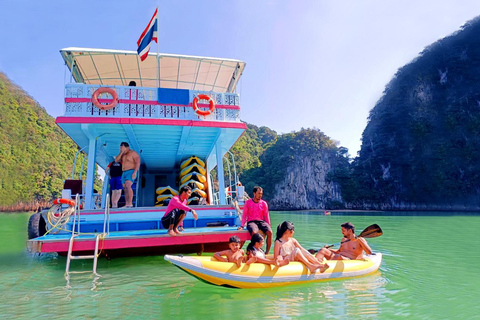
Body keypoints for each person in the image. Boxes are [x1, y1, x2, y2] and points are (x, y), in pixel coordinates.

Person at [237, 186, 273, 254]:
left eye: (261, 194)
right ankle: (254, 250)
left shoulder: (264, 203)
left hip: (261, 221)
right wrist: (242, 226)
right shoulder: (248, 203)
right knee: (254, 232)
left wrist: (269, 225)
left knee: (270, 232)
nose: (260, 195)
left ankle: (267, 252)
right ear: (254, 193)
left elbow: (266, 215)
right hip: (251, 221)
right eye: (259, 193)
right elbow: (244, 215)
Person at [115, 142, 140, 208]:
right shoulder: (123, 154)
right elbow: (116, 160)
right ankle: (127, 203)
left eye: (123, 149)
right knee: (125, 188)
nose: (123, 150)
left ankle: (130, 203)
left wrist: (135, 172)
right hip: (124, 172)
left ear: (127, 147)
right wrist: (121, 152)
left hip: (131, 171)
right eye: (121, 149)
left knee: (128, 185)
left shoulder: (133, 153)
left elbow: (138, 162)